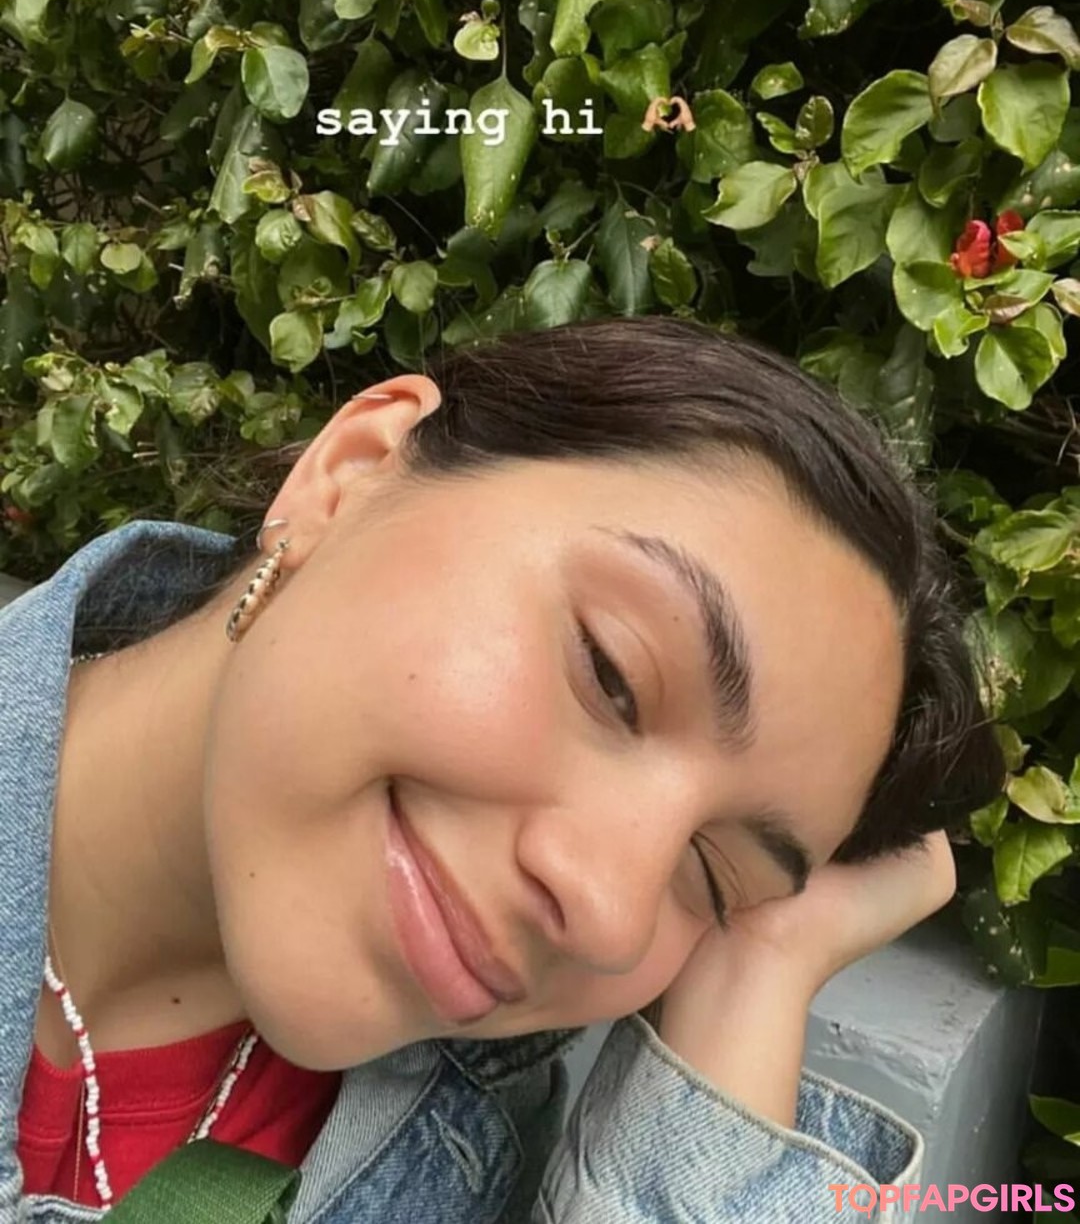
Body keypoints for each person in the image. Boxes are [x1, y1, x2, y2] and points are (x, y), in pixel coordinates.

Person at [0, 315, 1003, 1223]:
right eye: (611, 674)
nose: (609, 915)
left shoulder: (470, 1137)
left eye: (711, 874)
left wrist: (759, 967)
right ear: (349, 472)